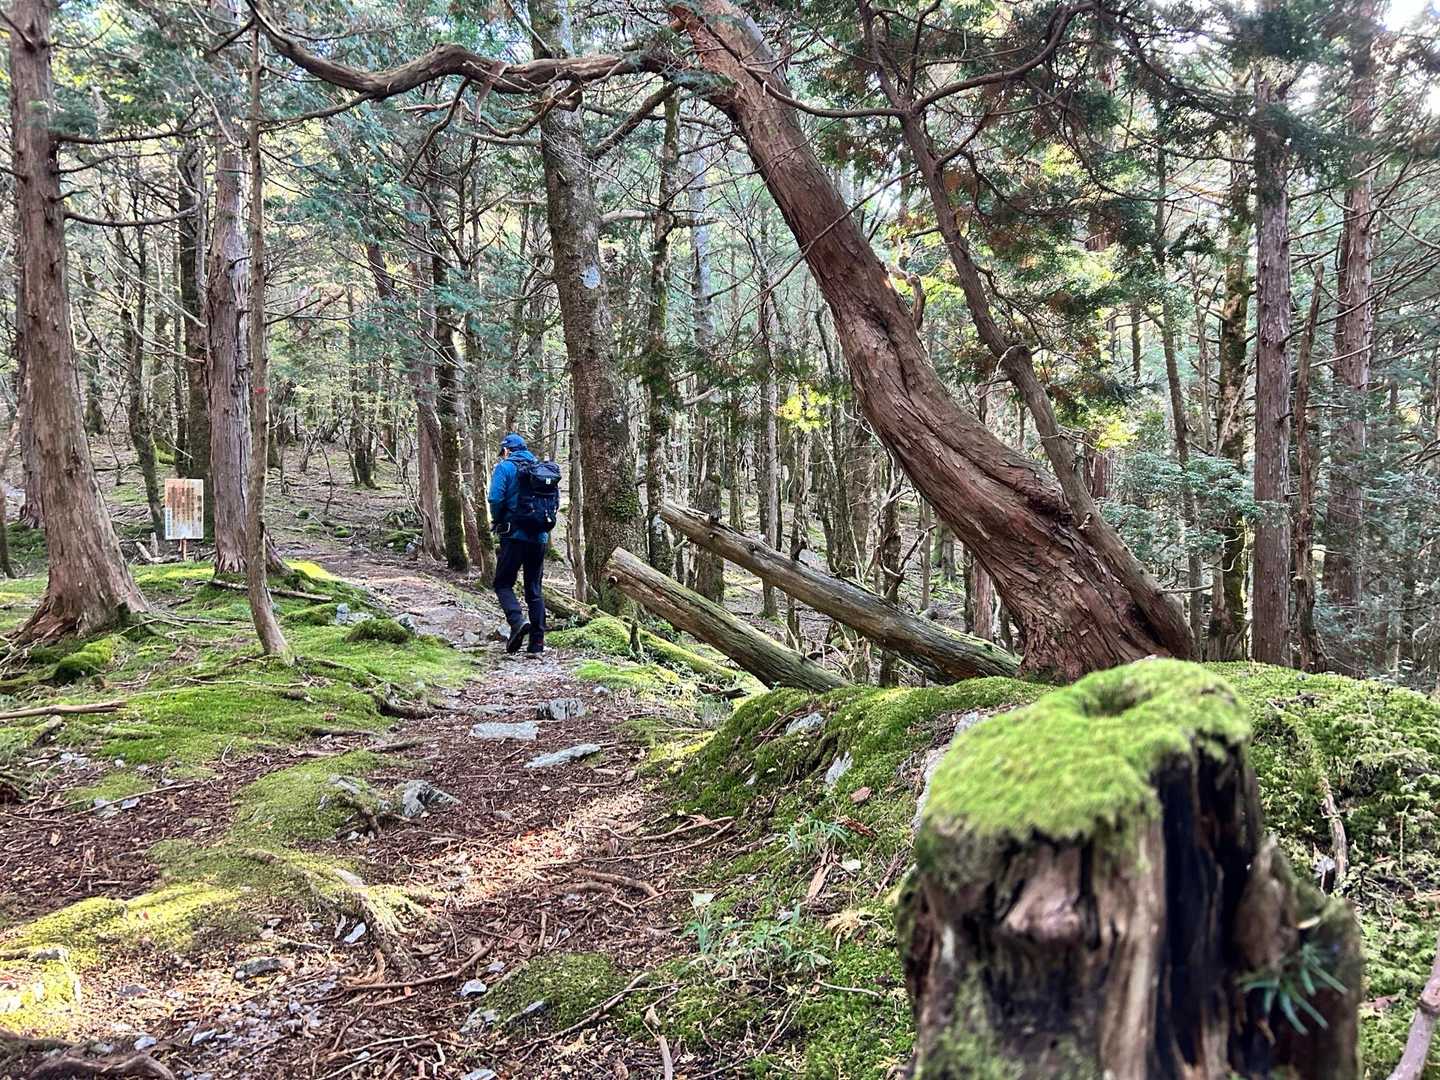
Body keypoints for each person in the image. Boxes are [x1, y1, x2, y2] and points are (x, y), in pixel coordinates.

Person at [488, 432, 560, 656]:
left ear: (507, 450)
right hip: (539, 537)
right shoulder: (542, 470)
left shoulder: (505, 468)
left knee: (503, 583)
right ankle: (537, 645)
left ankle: (517, 620)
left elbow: (495, 498)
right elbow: (554, 502)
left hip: (513, 535)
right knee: (534, 590)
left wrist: (498, 519)